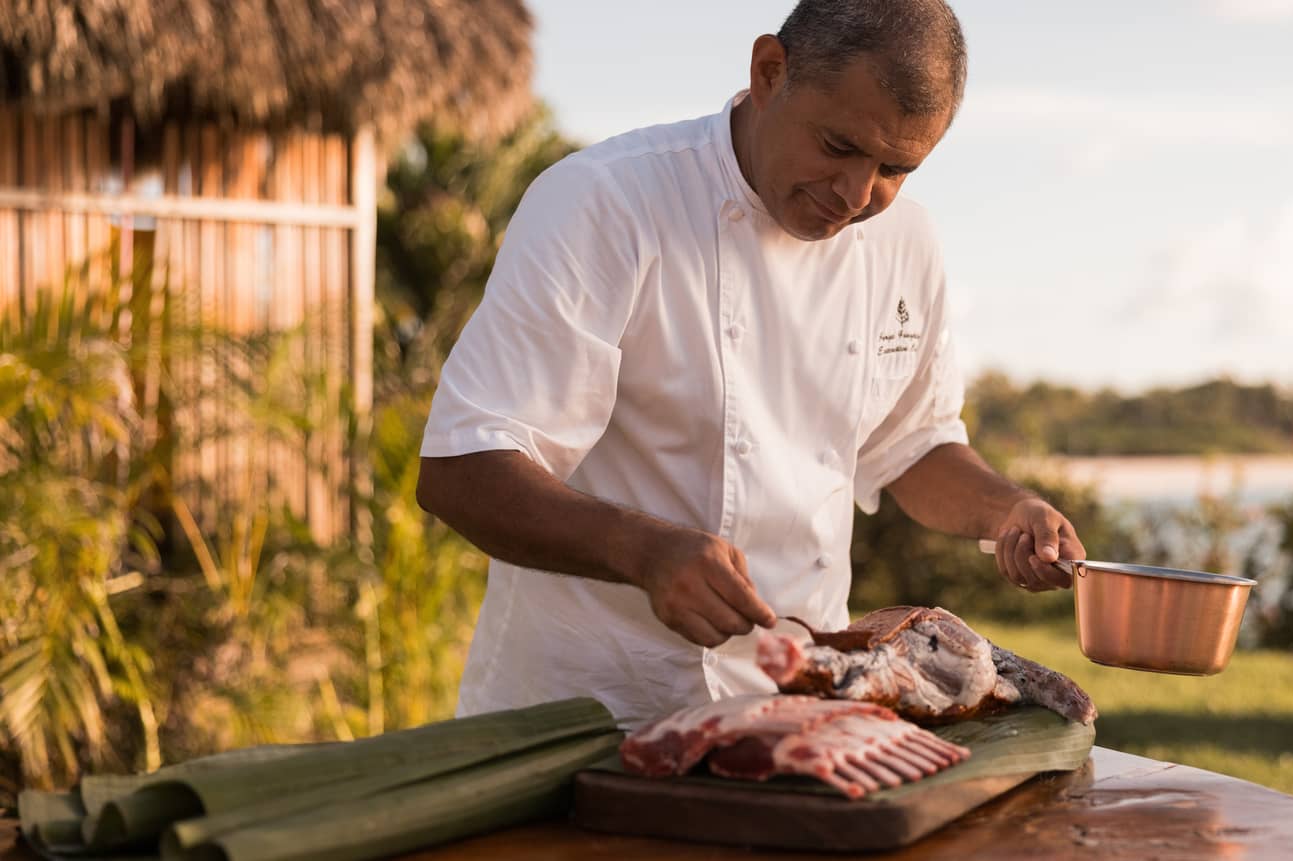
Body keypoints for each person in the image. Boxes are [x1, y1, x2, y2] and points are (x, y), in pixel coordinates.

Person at [416, 0, 1086, 730]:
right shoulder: (607, 203)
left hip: (799, 713)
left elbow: (913, 444)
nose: (858, 195)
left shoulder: (905, 240)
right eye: (838, 145)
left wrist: (1005, 508)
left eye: (895, 168)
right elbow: (462, 467)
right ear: (770, 72)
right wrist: (642, 549)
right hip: (583, 717)